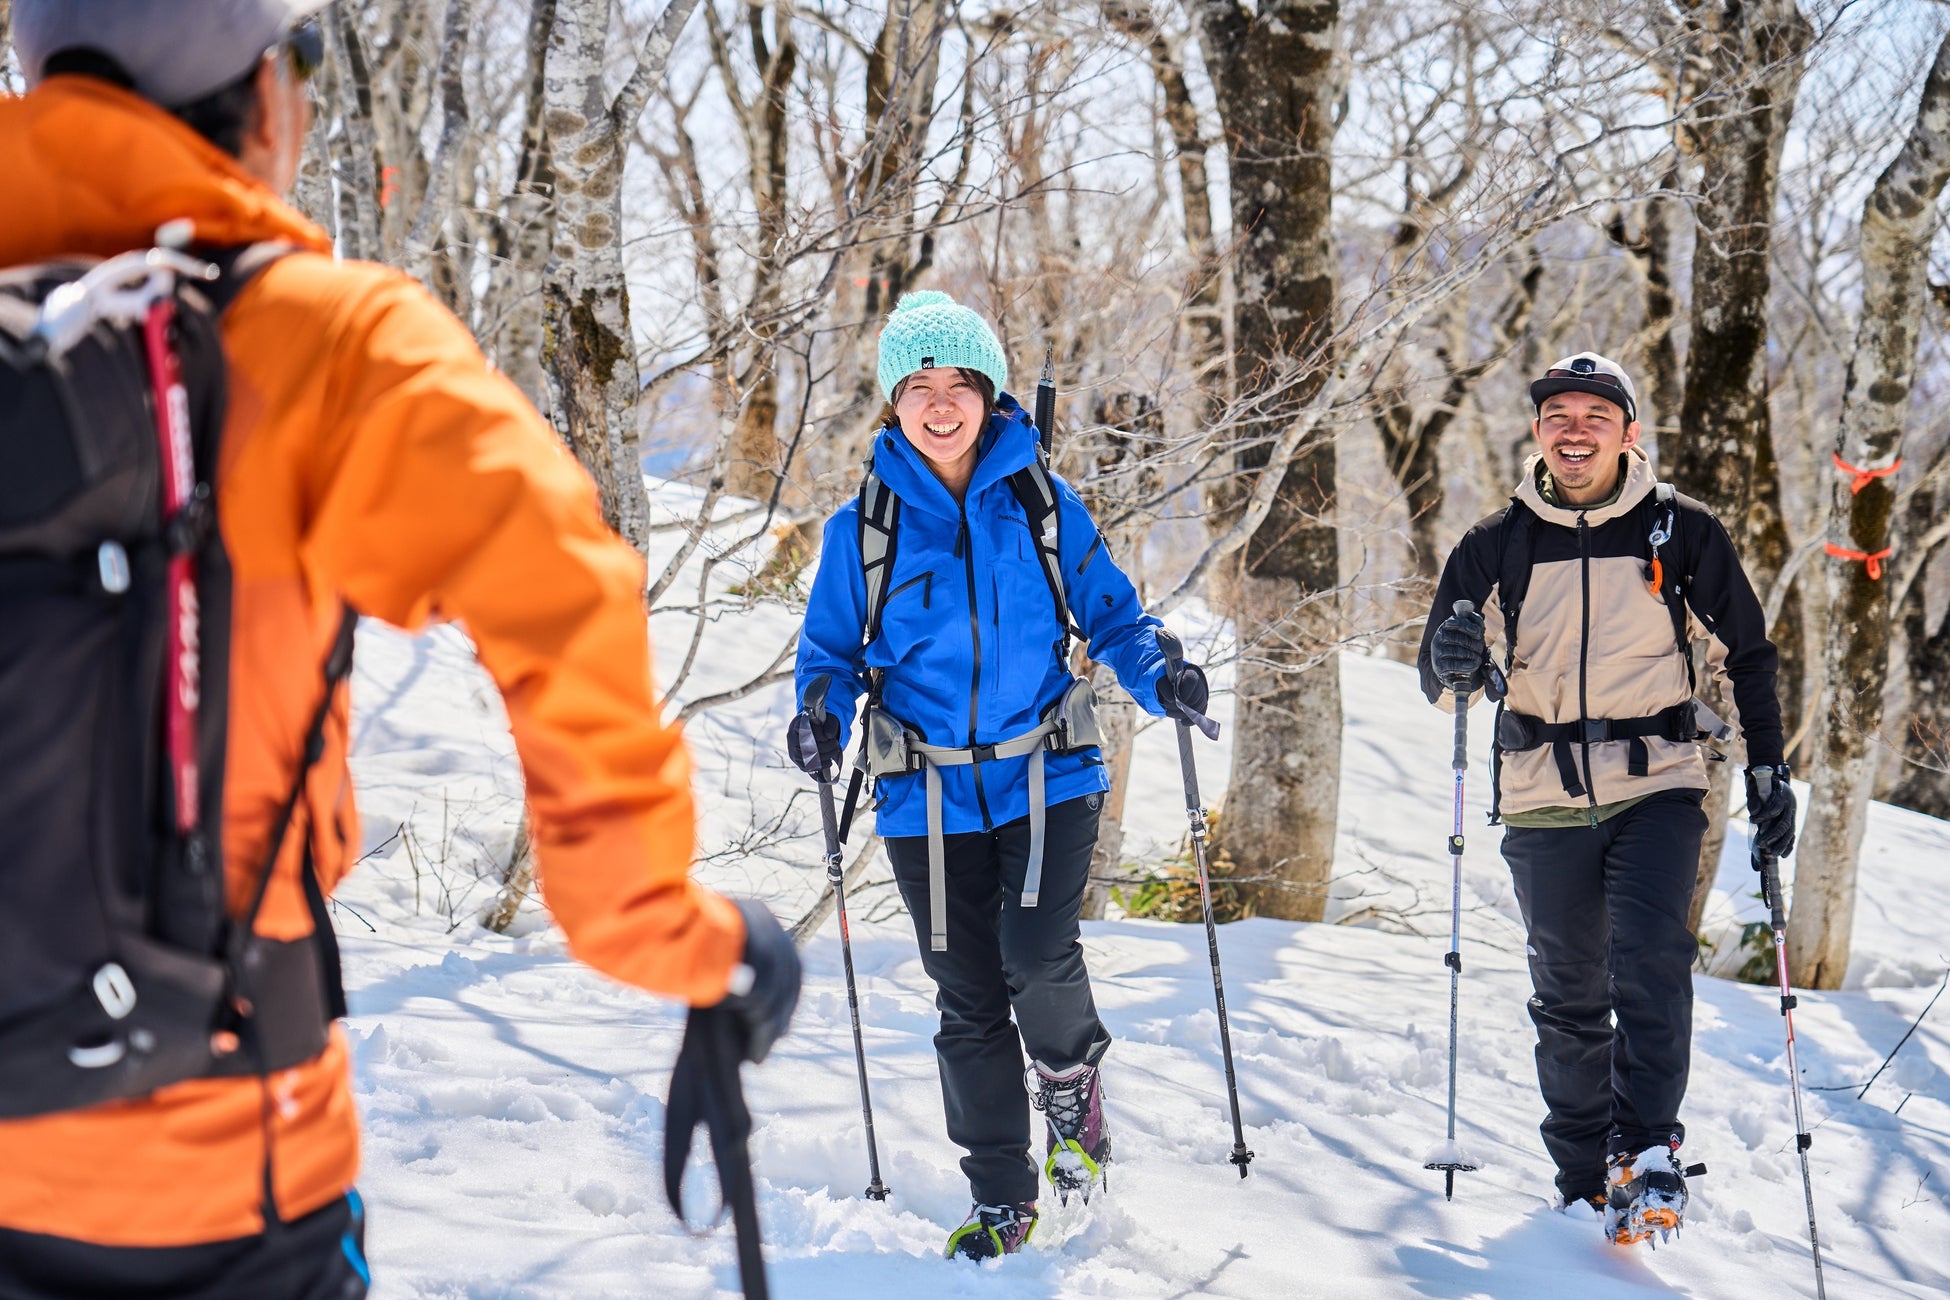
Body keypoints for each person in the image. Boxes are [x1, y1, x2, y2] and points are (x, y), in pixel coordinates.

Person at [0, 3, 799, 1294]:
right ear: (262, 96)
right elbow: (564, 586)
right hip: (224, 1166)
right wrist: (670, 932)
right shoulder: (325, 341)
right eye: (302, 60)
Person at [790, 291, 1209, 1259]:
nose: (941, 404)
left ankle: (1070, 1090)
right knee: (967, 993)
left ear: (988, 394)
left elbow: (1114, 617)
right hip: (924, 795)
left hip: (1047, 774)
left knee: (1034, 951)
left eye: (959, 384)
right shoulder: (865, 526)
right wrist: (819, 717)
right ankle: (1000, 1199)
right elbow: (829, 655)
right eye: (919, 386)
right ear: (895, 402)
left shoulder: (1041, 503)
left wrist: (1162, 677)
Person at [1416, 352, 1797, 1245]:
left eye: (1597, 413)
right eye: (1559, 413)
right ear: (1538, 431)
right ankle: (1585, 1176)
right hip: (1542, 793)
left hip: (1658, 779)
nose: (1575, 427)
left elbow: (1750, 652)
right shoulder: (1496, 541)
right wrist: (1458, 663)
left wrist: (1769, 767)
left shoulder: (1678, 530)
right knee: (1569, 993)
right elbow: (1438, 680)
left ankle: (1648, 1149)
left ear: (1630, 433)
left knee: (1652, 960)